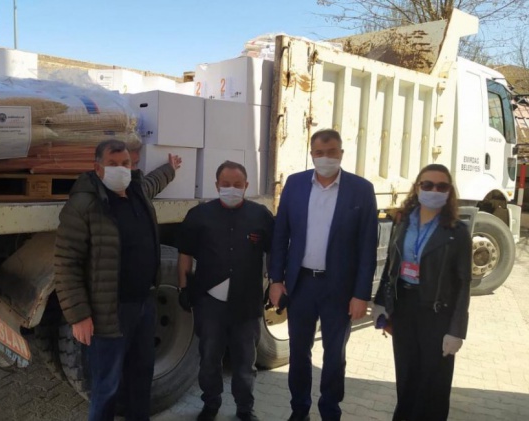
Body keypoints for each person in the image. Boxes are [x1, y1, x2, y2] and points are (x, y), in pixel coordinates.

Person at [54, 139, 180, 421]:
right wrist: (78, 316)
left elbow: (153, 182)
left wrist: (170, 169)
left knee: (141, 377)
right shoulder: (84, 204)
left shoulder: (137, 190)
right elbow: (66, 262)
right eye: (112, 164)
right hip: (110, 313)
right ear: (98, 168)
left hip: (144, 305)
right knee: (106, 387)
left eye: (125, 164)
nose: (120, 169)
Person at [268, 129, 378, 421]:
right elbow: (280, 235)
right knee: (298, 353)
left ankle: (330, 412)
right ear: (312, 154)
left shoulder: (361, 190)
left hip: (339, 289)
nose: (325, 158)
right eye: (319, 153)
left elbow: (367, 246)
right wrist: (275, 280)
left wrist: (361, 294)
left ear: (341, 153)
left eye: (331, 152)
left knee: (334, 356)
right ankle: (299, 410)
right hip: (301, 285)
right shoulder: (295, 184)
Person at [372, 164, 471, 421]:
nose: (434, 190)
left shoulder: (457, 232)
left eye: (441, 186)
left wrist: (457, 330)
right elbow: (392, 264)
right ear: (417, 188)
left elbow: (463, 284)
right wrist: (381, 304)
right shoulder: (402, 221)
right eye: (427, 185)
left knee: (434, 383)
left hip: (437, 313)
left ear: (449, 192)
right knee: (407, 377)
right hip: (404, 308)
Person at [177, 161, 274, 421]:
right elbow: (185, 253)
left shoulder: (261, 216)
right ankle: (211, 404)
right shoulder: (199, 215)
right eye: (226, 184)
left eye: (237, 184)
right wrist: (183, 287)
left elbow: (273, 252)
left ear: (246, 186)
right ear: (217, 185)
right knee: (209, 359)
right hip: (210, 303)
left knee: (245, 362)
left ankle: (245, 408)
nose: (232, 188)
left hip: (247, 303)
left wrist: (274, 283)